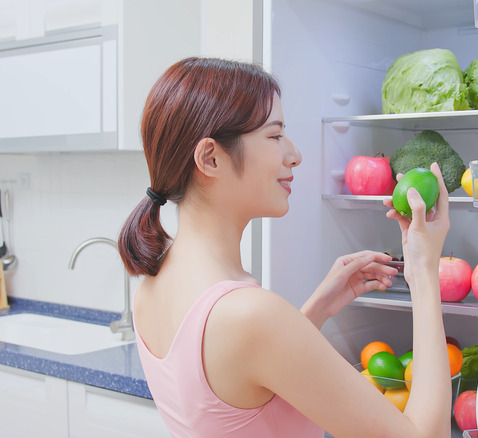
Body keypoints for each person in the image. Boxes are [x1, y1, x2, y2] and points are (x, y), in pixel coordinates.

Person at [118, 57, 452, 438]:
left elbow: (238, 392)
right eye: (275, 136)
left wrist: (316, 310)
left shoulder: (152, 284)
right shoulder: (251, 316)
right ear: (211, 158)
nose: (294, 154)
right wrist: (423, 271)